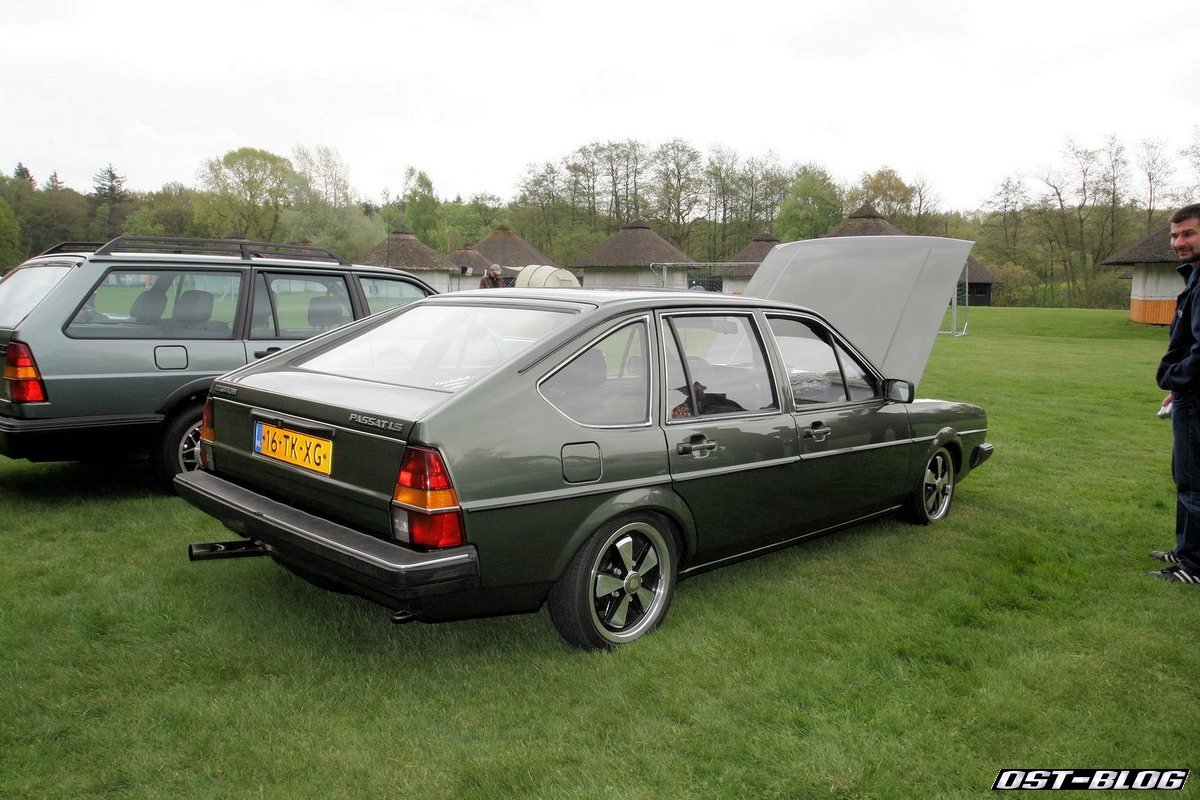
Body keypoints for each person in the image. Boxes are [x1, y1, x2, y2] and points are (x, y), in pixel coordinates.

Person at [1151, 203, 1200, 583]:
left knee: (1193, 481)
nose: (1179, 242)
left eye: (1188, 234)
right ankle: (1185, 549)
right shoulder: (1195, 279)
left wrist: (1176, 377)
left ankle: (1193, 566)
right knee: (1184, 476)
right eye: (1175, 235)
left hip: (1195, 397)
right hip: (1188, 394)